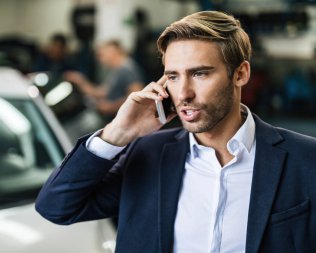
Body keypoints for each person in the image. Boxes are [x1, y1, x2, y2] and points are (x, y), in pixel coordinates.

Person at [35, 11, 316, 253]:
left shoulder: (306, 159)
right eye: (172, 76)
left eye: (200, 74)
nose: (183, 94)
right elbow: (56, 207)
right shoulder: (146, 154)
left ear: (240, 74)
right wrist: (116, 134)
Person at [63, 40, 144, 118]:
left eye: (101, 55)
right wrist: (79, 80)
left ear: (112, 52)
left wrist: (111, 107)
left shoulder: (127, 69)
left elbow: (137, 96)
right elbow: (102, 92)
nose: (100, 60)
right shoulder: (116, 70)